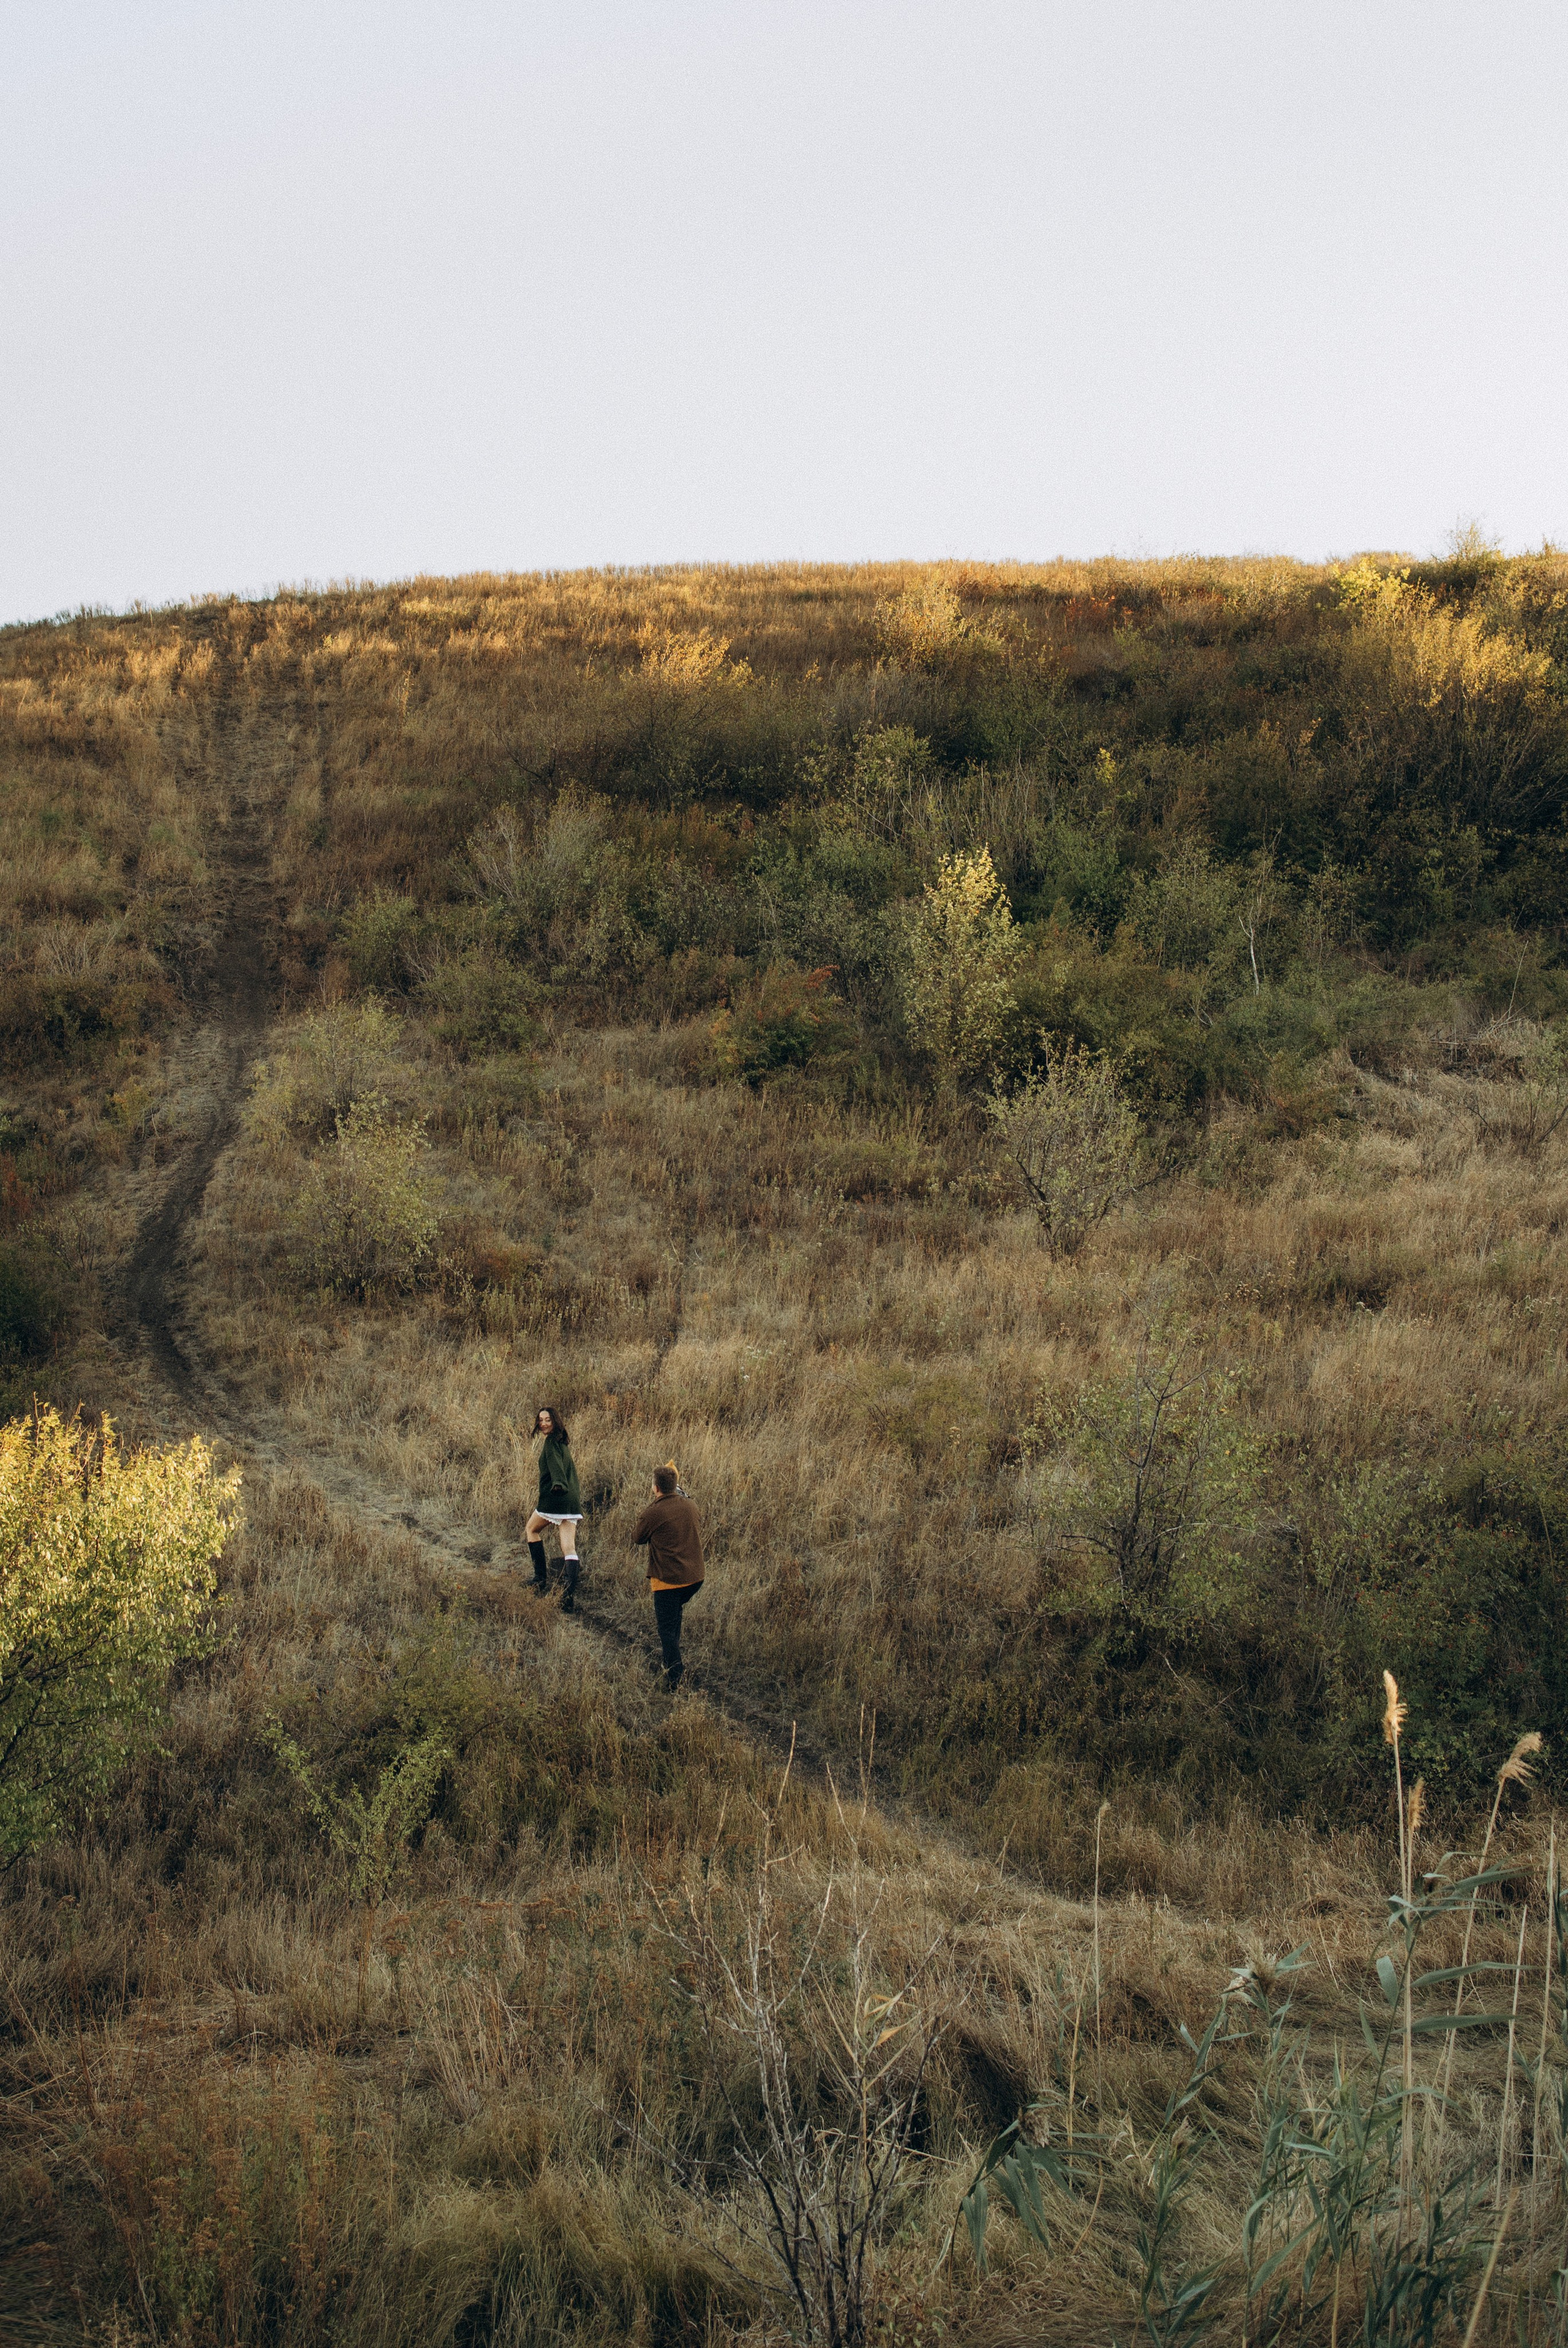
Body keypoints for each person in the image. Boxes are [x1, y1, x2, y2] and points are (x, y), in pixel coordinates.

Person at [631, 1462, 704, 1691]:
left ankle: (676, 1679)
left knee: (666, 1628)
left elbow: (637, 1538)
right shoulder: (691, 1505)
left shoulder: (655, 1511)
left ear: (655, 1488)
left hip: (668, 1580)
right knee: (674, 1619)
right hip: (694, 1578)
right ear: (676, 1485)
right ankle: (671, 1664)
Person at [525, 1405, 583, 1610]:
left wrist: (558, 1484)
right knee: (569, 1548)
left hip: (556, 1497)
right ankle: (568, 1598)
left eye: (547, 1420)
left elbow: (557, 1468)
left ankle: (540, 1580)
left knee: (531, 1530)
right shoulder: (562, 1441)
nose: (543, 1424)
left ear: (555, 1421)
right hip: (572, 1501)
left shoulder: (551, 1443)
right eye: (541, 1420)